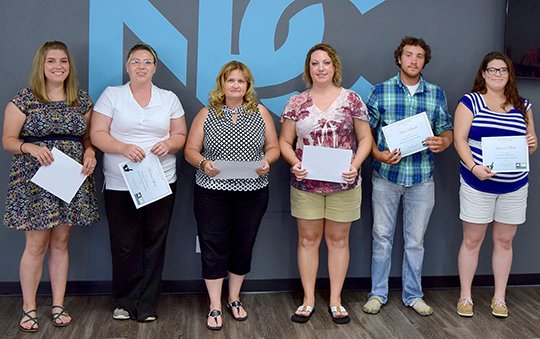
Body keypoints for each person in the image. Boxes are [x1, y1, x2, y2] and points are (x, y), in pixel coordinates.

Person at [2, 40, 99, 333]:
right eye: (52, 61)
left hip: (70, 179)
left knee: (61, 242)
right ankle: (29, 309)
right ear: (41, 66)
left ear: (70, 67)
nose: (58, 66)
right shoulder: (24, 100)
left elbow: (87, 138)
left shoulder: (81, 101)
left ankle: (58, 305)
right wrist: (29, 149)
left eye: (63, 61)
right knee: (36, 244)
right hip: (35, 181)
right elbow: (7, 140)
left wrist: (91, 151)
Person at [90, 43, 187, 322]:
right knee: (123, 243)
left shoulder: (168, 98)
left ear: (155, 67)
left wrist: (168, 144)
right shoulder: (112, 95)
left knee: (154, 242)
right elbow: (97, 133)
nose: (141, 66)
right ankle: (125, 301)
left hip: (160, 181)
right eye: (135, 61)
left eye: (147, 62)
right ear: (127, 66)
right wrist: (122, 147)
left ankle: (147, 304)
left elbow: (180, 134)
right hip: (121, 183)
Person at [279, 43, 372, 325]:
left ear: (335, 67)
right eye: (315, 63)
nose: (321, 68)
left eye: (326, 63)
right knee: (308, 240)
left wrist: (355, 166)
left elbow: (366, 138)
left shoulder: (352, 99)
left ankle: (335, 300)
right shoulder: (296, 102)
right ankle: (308, 300)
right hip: (306, 185)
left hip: (344, 185)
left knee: (338, 240)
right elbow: (285, 142)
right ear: (309, 68)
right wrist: (293, 162)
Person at [184, 61, 279, 330]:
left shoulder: (259, 112)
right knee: (212, 245)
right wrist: (203, 164)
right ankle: (215, 304)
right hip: (211, 193)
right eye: (231, 80)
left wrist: (268, 162)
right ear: (222, 84)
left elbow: (273, 147)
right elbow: (191, 150)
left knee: (243, 244)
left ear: (248, 86)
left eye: (241, 81)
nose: (236, 85)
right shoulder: (207, 113)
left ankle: (234, 299)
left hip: (253, 193)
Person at [362, 36, 453, 316]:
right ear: (399, 59)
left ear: (425, 61)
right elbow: (366, 133)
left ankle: (413, 295)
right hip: (386, 176)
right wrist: (377, 154)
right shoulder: (381, 91)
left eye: (419, 56)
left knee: (415, 241)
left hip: (421, 178)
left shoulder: (436, 93)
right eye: (409, 55)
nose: (414, 60)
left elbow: (446, 129)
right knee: (381, 238)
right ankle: (377, 293)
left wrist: (444, 142)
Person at [454, 52, 537, 318]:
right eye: (492, 70)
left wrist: (532, 145)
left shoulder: (523, 105)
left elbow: (530, 141)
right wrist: (474, 167)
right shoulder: (471, 102)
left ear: (509, 74)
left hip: (514, 186)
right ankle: (465, 297)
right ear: (483, 73)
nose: (498, 74)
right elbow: (459, 139)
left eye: (503, 70)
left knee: (504, 240)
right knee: (472, 240)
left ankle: (499, 298)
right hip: (477, 184)